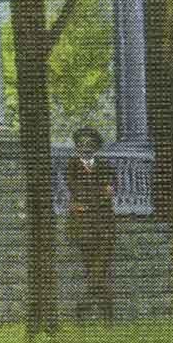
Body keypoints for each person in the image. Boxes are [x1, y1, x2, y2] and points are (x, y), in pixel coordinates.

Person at [65, 125, 118, 322]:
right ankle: (106, 313)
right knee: (92, 269)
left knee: (100, 269)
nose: (85, 147)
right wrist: (98, 194)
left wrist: (89, 200)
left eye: (90, 144)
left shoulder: (104, 165)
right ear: (77, 147)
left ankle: (84, 305)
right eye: (81, 144)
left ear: (96, 146)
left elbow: (110, 187)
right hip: (83, 229)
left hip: (105, 227)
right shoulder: (72, 165)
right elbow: (76, 189)